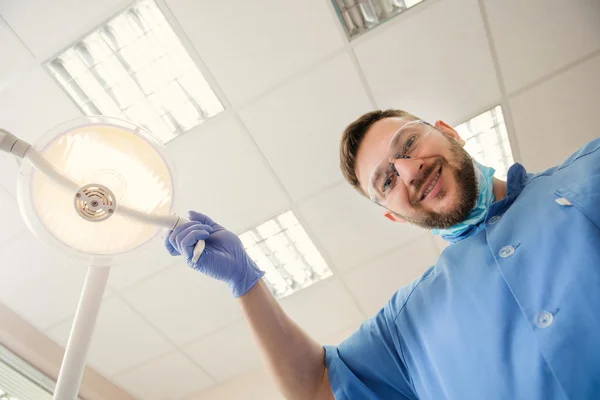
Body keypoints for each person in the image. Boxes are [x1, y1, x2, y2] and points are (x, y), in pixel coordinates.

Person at [165, 109, 600, 400]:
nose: (410, 172)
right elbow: (316, 385)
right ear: (395, 217)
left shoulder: (589, 170)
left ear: (448, 132)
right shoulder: (405, 324)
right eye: (386, 181)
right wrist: (247, 283)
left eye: (408, 144)